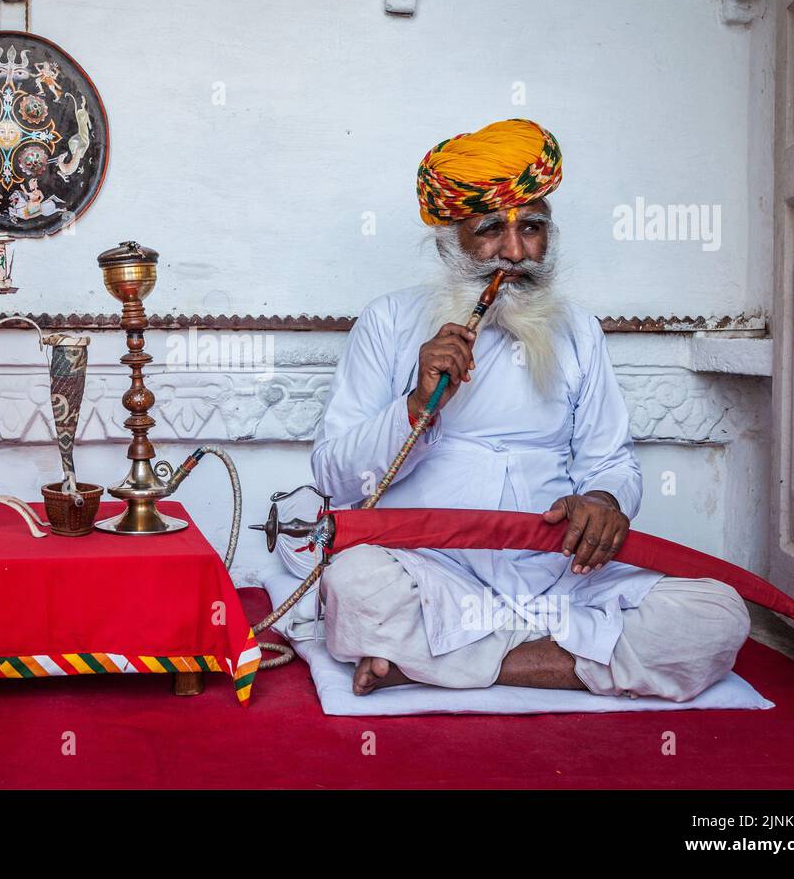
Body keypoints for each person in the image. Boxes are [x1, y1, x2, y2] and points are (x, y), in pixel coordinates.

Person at [311, 119, 749, 701]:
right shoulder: (389, 321)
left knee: (716, 613)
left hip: (561, 575)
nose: (515, 251)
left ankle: (449, 660)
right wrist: (416, 404)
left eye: (532, 228)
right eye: (490, 229)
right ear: (450, 242)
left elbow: (610, 461)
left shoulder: (579, 331)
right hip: (433, 570)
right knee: (354, 581)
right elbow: (336, 476)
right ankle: (578, 661)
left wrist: (603, 501)